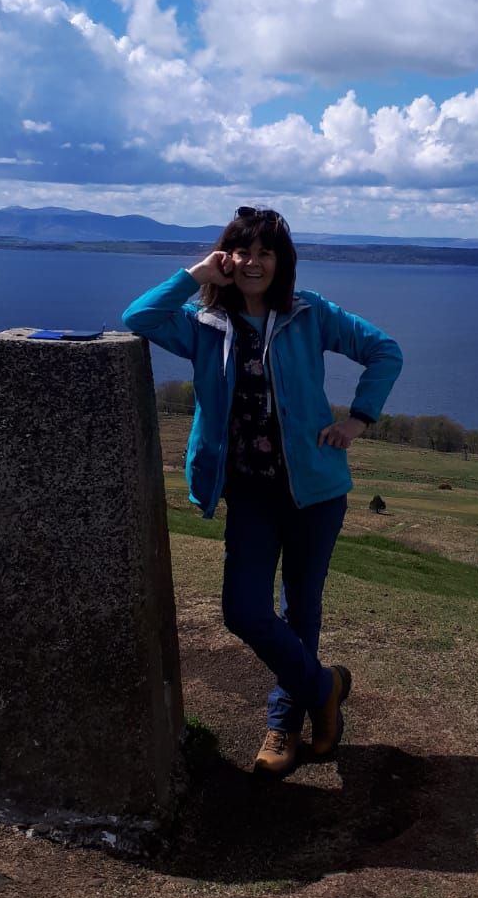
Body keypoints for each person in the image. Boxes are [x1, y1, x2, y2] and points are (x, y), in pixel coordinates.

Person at [122, 207, 403, 777]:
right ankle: (324, 686)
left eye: (265, 253)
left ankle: (284, 723)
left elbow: (385, 351)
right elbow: (139, 317)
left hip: (315, 492)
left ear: (281, 262)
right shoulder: (202, 324)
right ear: (228, 257)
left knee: (300, 607)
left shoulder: (310, 313)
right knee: (243, 610)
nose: (253, 263)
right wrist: (199, 274)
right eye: (242, 252)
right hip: (249, 493)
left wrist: (357, 420)